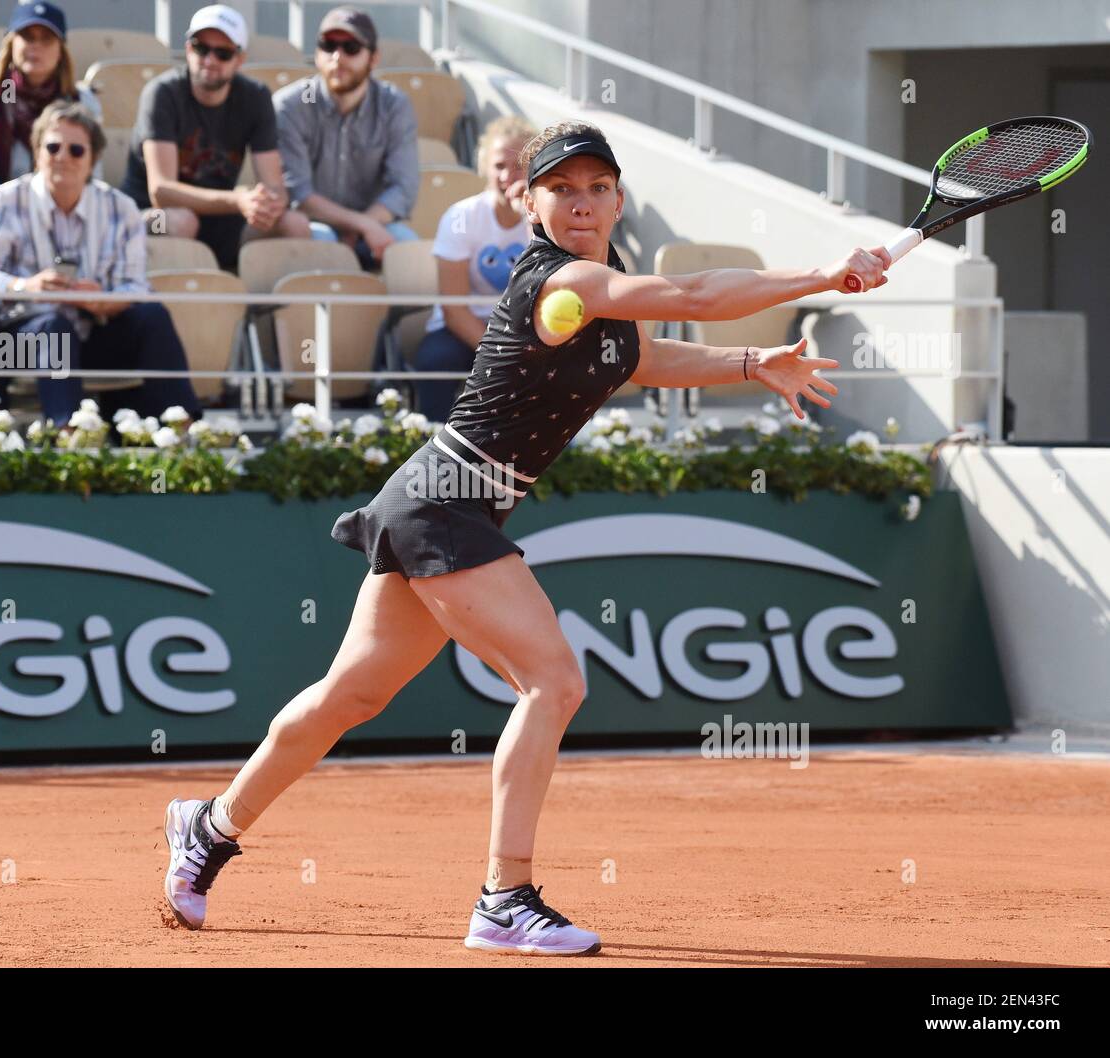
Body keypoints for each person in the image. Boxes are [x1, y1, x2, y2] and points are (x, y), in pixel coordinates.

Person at [158, 119, 891, 954]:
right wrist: (824, 273)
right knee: (552, 680)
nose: (581, 203)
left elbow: (641, 358)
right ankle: (505, 897)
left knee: (349, 697)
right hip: (445, 506)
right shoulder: (558, 282)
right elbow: (691, 296)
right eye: (562, 189)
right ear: (528, 200)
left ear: (617, 198)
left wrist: (757, 365)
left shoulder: (601, 294)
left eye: (596, 188)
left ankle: (208, 827)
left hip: (438, 500)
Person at [0, 100, 202, 424]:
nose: (62, 157)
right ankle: (68, 437)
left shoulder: (121, 207)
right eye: (53, 146)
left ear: (93, 159)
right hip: (15, 344)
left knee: (152, 315)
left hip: (95, 338)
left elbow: (136, 286)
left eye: (76, 150)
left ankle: (181, 430)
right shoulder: (5, 199)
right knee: (53, 327)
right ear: (37, 152)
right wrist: (25, 286)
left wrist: (102, 301)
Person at [121, 4, 302, 273]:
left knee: (294, 224)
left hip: (221, 218)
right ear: (187, 49)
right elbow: (161, 192)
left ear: (240, 59)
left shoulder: (256, 97)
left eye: (223, 52)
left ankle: (265, 313)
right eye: (201, 48)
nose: (210, 60)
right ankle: (177, 306)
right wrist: (239, 200)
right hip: (151, 217)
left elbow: (273, 183)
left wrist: (268, 202)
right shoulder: (162, 93)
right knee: (182, 221)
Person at [272, 6, 418, 269]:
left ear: (373, 58)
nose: (337, 57)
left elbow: (403, 188)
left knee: (407, 247)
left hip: (373, 225)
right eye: (328, 46)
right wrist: (359, 224)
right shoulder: (290, 105)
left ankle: (412, 314)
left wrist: (364, 225)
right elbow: (299, 194)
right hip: (311, 227)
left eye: (351, 47)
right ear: (316, 53)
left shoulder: (394, 104)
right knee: (326, 240)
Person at [414, 115, 535, 422]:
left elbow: (553, 279)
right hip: (463, 329)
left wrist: (530, 217)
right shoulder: (462, 216)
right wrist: (500, 354)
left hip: (525, 329)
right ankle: (433, 445)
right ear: (484, 168)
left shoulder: (544, 222)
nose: (509, 175)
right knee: (435, 359)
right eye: (499, 166)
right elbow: (454, 310)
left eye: (520, 165)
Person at [0, 1, 102, 200]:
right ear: (11, 44)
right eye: (27, 37)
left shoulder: (81, 102)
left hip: (67, 210)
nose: (36, 46)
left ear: (61, 50)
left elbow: (91, 175)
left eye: (46, 39)